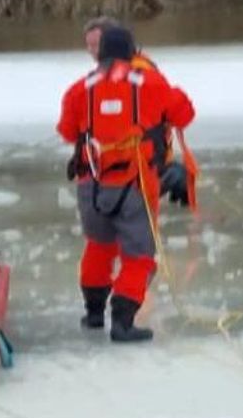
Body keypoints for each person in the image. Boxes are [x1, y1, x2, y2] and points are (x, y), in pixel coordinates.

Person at [58, 22, 196, 342]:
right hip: (134, 185)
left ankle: (93, 315)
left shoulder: (80, 87)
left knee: (98, 247)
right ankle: (122, 321)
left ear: (101, 53)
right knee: (139, 256)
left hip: (90, 186)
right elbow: (184, 114)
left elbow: (67, 132)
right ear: (132, 52)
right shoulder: (150, 82)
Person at [80, 17, 192, 207]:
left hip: (138, 162)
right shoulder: (105, 75)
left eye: (97, 45)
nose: (92, 51)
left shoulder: (139, 71)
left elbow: (170, 109)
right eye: (89, 46)